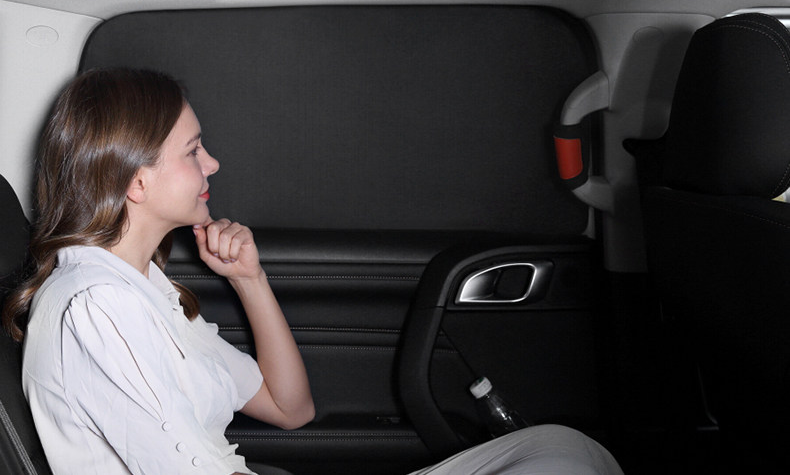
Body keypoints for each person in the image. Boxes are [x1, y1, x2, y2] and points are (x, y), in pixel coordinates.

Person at [2, 68, 622, 475]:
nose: (213, 164)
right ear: (136, 181)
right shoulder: (96, 306)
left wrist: (250, 280)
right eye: (193, 151)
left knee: (562, 447)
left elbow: (290, 408)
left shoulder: (142, 286)